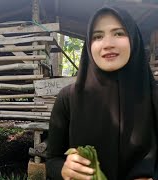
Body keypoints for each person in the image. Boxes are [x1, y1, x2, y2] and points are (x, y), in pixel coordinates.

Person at [46, 6, 158, 180]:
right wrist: (63, 170)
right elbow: (52, 159)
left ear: (134, 39)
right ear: (89, 44)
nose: (108, 44)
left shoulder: (154, 97)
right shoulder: (68, 98)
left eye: (119, 33)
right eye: (98, 36)